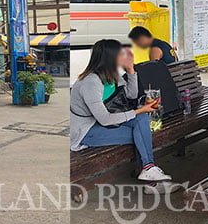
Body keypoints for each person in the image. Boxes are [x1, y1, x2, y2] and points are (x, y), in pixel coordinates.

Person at [70, 39, 170, 191]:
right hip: (87, 130)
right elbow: (104, 120)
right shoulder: (91, 82)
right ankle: (152, 181)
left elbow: (131, 95)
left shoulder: (112, 75)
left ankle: (149, 170)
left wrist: (131, 70)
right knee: (141, 134)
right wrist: (139, 110)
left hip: (109, 120)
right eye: (121, 54)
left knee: (141, 123)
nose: (126, 56)